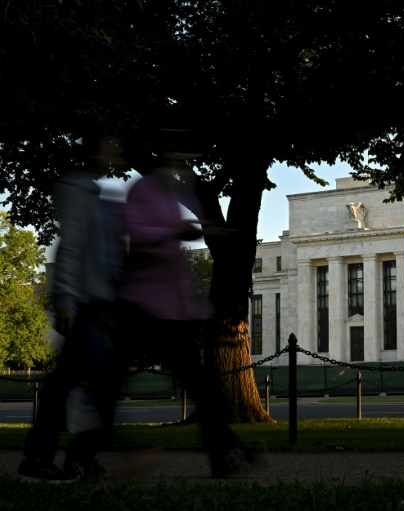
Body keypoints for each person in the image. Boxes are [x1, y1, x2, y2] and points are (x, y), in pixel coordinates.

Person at [117, 129, 252, 478]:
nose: (182, 161)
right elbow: (140, 235)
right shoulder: (143, 190)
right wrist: (178, 232)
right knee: (110, 377)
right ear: (164, 156)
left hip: (173, 310)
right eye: (176, 154)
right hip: (144, 305)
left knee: (203, 388)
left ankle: (224, 453)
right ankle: (87, 449)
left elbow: (178, 248)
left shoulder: (172, 192)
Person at [18, 135, 125, 484]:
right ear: (95, 152)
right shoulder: (78, 189)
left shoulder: (95, 193)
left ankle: (60, 457)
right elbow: (72, 246)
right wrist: (64, 298)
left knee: (68, 384)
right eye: (109, 147)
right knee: (95, 382)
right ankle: (52, 458)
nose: (115, 154)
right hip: (77, 303)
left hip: (90, 303)